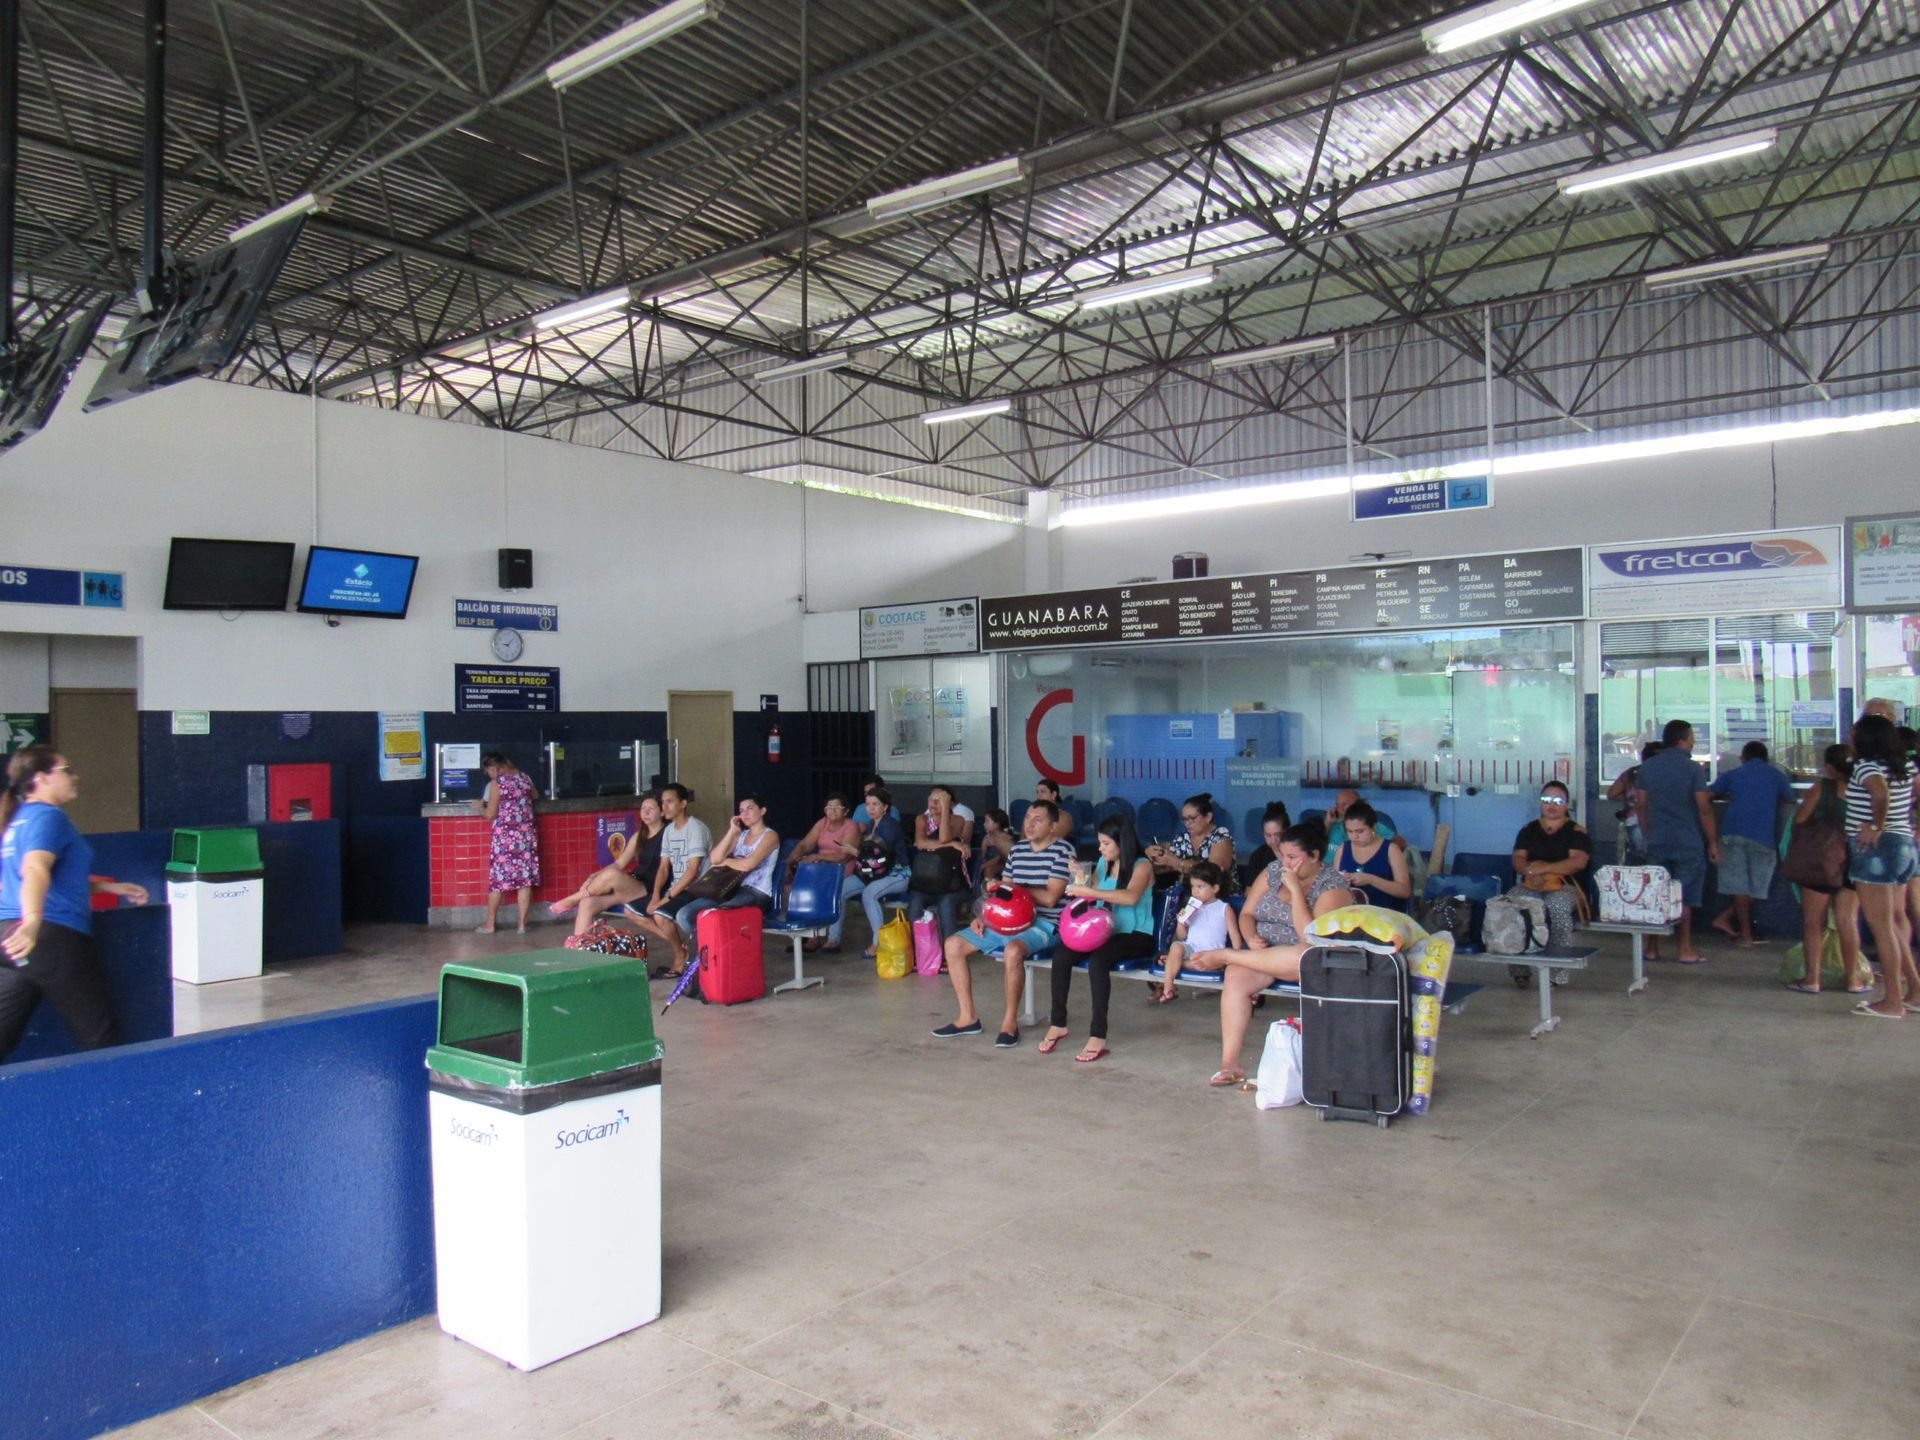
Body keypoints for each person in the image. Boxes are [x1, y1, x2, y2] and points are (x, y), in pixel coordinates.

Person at [0, 748, 150, 1060]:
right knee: (101, 1039)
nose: (74, 776)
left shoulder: (19, 821)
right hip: (49, 939)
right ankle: (120, 1101)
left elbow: (48, 879)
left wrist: (108, 886)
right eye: (66, 770)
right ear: (42, 778)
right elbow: (35, 870)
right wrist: (32, 922)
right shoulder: (48, 816)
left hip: (8, 939)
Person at [1207, 821, 1352, 1086]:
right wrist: (1250, 936)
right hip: (1263, 953)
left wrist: (1297, 891)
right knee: (1237, 976)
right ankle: (1230, 1064)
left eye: (1293, 857)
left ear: (1315, 856)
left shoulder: (1333, 886)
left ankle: (1227, 955)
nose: (1285, 862)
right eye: (1283, 855)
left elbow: (1311, 937)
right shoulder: (1273, 871)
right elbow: (1248, 913)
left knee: (1303, 956)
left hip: (1305, 957)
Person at [934, 799, 1073, 1046]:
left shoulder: (1063, 852)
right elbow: (1001, 892)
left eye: (1038, 820)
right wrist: (984, 917)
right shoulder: (1018, 851)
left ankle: (1010, 1023)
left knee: (1013, 951)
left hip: (1045, 924)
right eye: (1027, 818)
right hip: (1008, 919)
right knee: (953, 944)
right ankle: (968, 1018)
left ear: (1052, 826)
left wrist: (1016, 889)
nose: (1029, 824)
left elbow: (1051, 898)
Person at [1038, 815, 1157, 1062]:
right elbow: (1091, 896)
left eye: (1105, 843)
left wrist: (1088, 889)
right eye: (1100, 843)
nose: (1100, 849)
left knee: (1098, 962)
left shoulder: (1141, 865)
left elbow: (1130, 897)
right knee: (1062, 956)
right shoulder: (1104, 862)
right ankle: (1058, 1022)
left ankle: (1098, 1035)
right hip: (1105, 930)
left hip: (1135, 934)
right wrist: (1078, 876)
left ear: (1121, 842)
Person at [1846, 714, 1918, 1019]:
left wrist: (1877, 825)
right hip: (1903, 846)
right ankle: (1914, 989)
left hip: (1876, 850)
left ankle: (1892, 1001)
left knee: (1882, 925)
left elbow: (1879, 792)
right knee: (1893, 920)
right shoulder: (1904, 767)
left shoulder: (1867, 767)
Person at [1634, 720, 1719, 964]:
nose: (1693, 742)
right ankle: (1685, 949)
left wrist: (1648, 834)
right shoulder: (1693, 769)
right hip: (1688, 842)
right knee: (1685, 896)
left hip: (1658, 841)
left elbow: (1641, 806)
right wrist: (1712, 842)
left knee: (1656, 893)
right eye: (1691, 737)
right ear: (1682, 740)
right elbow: (1703, 809)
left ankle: (1652, 947)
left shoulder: (1648, 767)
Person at [1786, 745, 1867, 995]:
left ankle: (1812, 978)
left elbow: (1800, 820)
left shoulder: (1823, 787)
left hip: (1822, 861)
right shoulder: (1864, 789)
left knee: (1813, 921)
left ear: (1830, 767)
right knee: (1847, 919)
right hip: (1853, 860)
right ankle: (1853, 979)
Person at [1709, 741, 1796, 946]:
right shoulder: (1775, 775)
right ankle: (1733, 924)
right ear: (1766, 759)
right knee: (1757, 890)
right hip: (1762, 837)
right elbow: (1790, 799)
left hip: (1731, 834)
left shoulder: (1733, 774)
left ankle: (1742, 932)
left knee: (1739, 887)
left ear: (1743, 758)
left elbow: (1709, 794)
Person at [1505, 781, 1591, 985]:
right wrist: (1528, 872)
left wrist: (1541, 869)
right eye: (1546, 800)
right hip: (1532, 885)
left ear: (1567, 804)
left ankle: (1557, 972)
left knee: (1557, 907)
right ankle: (1519, 969)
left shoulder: (1576, 832)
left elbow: (1577, 862)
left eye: (1557, 800)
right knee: (1512, 904)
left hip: (1566, 887)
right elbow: (1518, 858)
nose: (1551, 805)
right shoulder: (1529, 830)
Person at [550, 791, 667, 939]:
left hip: (651, 889)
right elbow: (620, 863)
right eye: (643, 808)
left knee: (612, 876)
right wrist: (595, 876)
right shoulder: (639, 836)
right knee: (587, 903)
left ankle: (573, 898)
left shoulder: (668, 834)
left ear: (662, 812)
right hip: (632, 886)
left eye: (651, 808)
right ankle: (580, 949)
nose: (645, 812)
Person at [674, 795, 780, 940]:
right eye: (741, 811)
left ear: (762, 811)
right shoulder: (741, 835)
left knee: (718, 914)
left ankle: (715, 954)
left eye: (750, 809)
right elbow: (715, 859)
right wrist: (732, 831)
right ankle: (710, 953)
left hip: (756, 892)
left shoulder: (770, 836)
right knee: (685, 915)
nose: (745, 814)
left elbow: (748, 864)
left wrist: (727, 862)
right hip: (729, 889)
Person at [639, 782, 711, 976]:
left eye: (670, 802)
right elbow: (663, 868)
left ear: (683, 804)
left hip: (696, 889)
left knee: (660, 914)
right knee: (646, 909)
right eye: (663, 803)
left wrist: (665, 899)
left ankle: (680, 956)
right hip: (677, 888)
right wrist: (655, 896)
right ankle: (681, 953)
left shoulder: (696, 828)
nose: (665, 807)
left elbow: (693, 871)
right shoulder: (669, 830)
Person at [1151, 859, 1238, 1002]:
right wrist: (1181, 923)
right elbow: (1183, 936)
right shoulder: (1191, 908)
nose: (1195, 891)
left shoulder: (1224, 908)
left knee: (1208, 963)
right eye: (1193, 887)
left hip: (1212, 953)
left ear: (1215, 888)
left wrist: (1235, 957)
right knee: (1176, 946)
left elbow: (1234, 934)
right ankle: (1168, 987)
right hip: (1192, 949)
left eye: (1200, 887)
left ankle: (1174, 962)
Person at [472, 752, 540, 934]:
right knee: (525, 882)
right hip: (526, 836)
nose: (489, 775)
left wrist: (479, 807)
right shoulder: (525, 778)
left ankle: (490, 924)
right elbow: (535, 795)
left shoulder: (497, 784)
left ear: (494, 768)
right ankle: (522, 925)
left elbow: (491, 814)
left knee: (498, 881)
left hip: (505, 839)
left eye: (488, 771)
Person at [786, 793, 862, 952]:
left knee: (826, 892)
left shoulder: (851, 826)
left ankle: (830, 939)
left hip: (840, 871)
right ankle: (806, 935)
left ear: (846, 811)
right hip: (820, 871)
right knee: (793, 889)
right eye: (829, 807)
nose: (832, 810)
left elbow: (843, 856)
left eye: (837, 807)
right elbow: (804, 845)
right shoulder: (822, 823)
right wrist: (789, 862)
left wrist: (817, 856)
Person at [852, 787, 911, 957]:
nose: (870, 808)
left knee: (869, 894)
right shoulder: (872, 824)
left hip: (897, 874)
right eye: (868, 804)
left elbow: (878, 855)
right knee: (840, 889)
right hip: (874, 874)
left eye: (875, 804)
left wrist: (854, 851)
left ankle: (878, 943)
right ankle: (832, 939)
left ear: (885, 807)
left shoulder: (890, 826)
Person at [907, 785, 970, 942]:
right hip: (926, 881)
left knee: (946, 904)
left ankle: (949, 952)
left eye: (938, 800)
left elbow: (943, 837)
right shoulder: (921, 819)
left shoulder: (957, 819)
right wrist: (951, 844)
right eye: (931, 799)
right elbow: (920, 843)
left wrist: (945, 811)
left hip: (952, 883)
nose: (933, 803)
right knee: (915, 903)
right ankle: (919, 951)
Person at [1334, 800, 1412, 912]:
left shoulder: (1391, 850)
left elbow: (1405, 891)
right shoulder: (1343, 849)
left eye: (1360, 831)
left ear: (1373, 827)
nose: (1354, 836)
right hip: (1351, 916)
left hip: (1386, 915)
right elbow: (1334, 886)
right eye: (1350, 832)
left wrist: (1371, 880)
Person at [1146, 792, 1235, 886]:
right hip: (1191, 894)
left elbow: (1215, 871)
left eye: (1192, 818)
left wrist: (1177, 863)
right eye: (1184, 819)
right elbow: (1165, 866)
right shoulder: (1183, 838)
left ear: (1208, 817)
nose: (1187, 823)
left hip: (1219, 895)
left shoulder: (1221, 836)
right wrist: (1154, 856)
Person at [1608, 741, 1661, 865]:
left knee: (1639, 861)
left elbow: (1612, 793)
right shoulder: (1662, 775)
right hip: (1657, 822)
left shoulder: (1632, 773)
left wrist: (1629, 799)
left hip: (1633, 821)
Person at [1237, 802, 1293, 889]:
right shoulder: (1258, 856)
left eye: (1278, 835)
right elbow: (1249, 891)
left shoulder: (1299, 853)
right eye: (1268, 835)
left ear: (1288, 830)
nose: (1273, 840)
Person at [978, 807, 1014, 888]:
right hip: (993, 864)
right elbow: (983, 856)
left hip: (1006, 865)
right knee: (986, 870)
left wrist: (984, 865)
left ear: (997, 824)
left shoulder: (1006, 838)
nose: (984, 824)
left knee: (989, 870)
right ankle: (985, 891)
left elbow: (1001, 858)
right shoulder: (986, 839)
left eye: (987, 821)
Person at [1035, 778, 1077, 846]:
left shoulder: (1063, 816)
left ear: (1053, 794)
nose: (1038, 796)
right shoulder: (1033, 814)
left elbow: (1051, 840)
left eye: (1043, 792)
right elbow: (1023, 839)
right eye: (1037, 792)